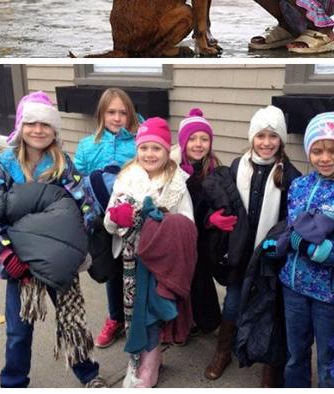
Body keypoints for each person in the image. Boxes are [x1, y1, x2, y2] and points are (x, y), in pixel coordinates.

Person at [0, 92, 105, 388]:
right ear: (21, 127)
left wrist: (74, 247)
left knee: (72, 321)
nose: (38, 130)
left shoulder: (62, 165)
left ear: (55, 130)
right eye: (31, 123)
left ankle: (87, 372)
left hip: (58, 259)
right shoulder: (5, 165)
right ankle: (13, 380)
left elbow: (84, 207)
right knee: (19, 328)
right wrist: (7, 256)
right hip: (19, 262)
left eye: (45, 125)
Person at [202, 105, 301, 386]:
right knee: (233, 303)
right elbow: (219, 204)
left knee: (269, 308)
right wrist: (213, 219)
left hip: (270, 255)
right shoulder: (237, 167)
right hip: (240, 253)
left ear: (281, 139)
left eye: (273, 136)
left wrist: (277, 246)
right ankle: (223, 350)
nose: (266, 142)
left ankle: (270, 364)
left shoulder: (289, 175)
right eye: (260, 136)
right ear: (251, 138)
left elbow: (290, 218)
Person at [274, 112, 334, 387]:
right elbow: (292, 227)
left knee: (329, 359)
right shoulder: (299, 185)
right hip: (293, 285)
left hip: (330, 292)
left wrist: (330, 251)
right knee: (295, 354)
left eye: (332, 151)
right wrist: (288, 241)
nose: (324, 158)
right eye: (316, 151)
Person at [103, 117, 195, 387]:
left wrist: (160, 221)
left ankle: (150, 363)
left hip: (161, 263)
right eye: (144, 148)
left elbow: (187, 224)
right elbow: (109, 223)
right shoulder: (126, 178)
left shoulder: (176, 182)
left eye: (156, 148)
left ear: (167, 151)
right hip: (132, 261)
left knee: (153, 310)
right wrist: (119, 218)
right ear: (137, 150)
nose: (149, 154)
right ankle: (142, 358)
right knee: (135, 313)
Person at [73, 87, 142, 349]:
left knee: (138, 271)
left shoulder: (137, 142)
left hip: (133, 221)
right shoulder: (87, 146)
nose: (117, 118)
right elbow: (77, 182)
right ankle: (115, 318)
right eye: (111, 112)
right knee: (112, 272)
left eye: (122, 113)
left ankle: (141, 320)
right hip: (102, 222)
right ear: (101, 114)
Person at [170, 108, 224, 342]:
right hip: (180, 236)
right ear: (183, 142)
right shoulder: (174, 170)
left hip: (204, 235)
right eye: (192, 139)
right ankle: (183, 322)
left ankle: (209, 320)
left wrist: (212, 219)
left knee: (201, 281)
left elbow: (217, 201)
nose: (198, 144)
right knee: (180, 281)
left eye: (204, 139)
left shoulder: (214, 169)